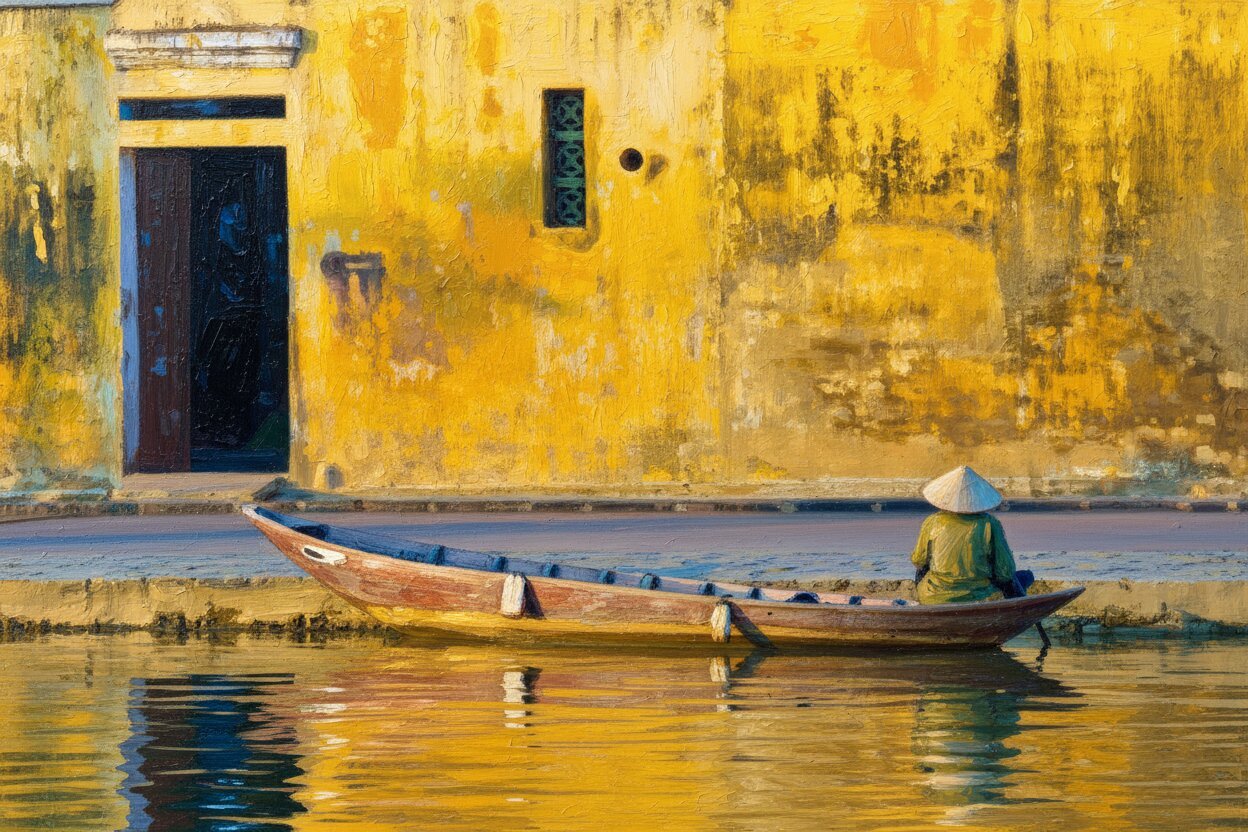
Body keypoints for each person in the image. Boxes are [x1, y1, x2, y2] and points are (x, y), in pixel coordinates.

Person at [910, 466, 1034, 604]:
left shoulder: (932, 522)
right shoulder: (990, 523)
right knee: (1027, 576)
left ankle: (921, 602)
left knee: (922, 570)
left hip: (933, 596)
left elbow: (918, 560)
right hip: (979, 595)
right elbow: (1005, 571)